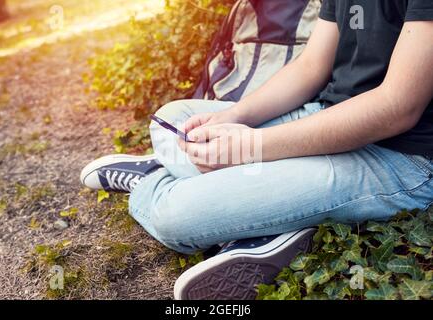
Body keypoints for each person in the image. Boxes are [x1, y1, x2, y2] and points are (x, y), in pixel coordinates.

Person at [80, 0, 433, 300]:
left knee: (172, 214)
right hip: (326, 116)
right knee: (174, 119)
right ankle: (266, 218)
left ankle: (155, 181)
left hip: (397, 158)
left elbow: (396, 107)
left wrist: (252, 147)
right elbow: (311, 66)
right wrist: (234, 116)